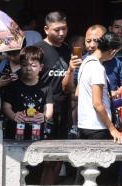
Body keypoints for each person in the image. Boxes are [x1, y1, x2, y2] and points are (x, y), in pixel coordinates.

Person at [76, 31, 122, 185]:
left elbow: (79, 93)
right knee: (101, 177)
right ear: (112, 51)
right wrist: (112, 128)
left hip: (84, 124)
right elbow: (97, 104)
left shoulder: (85, 62)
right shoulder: (97, 68)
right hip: (98, 126)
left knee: (84, 172)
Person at [36, 11, 75, 141]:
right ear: (46, 30)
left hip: (63, 108)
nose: (62, 33)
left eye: (64, 28)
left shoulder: (67, 49)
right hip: (43, 109)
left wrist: (71, 69)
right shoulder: (38, 50)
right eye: (57, 30)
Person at [0, 45, 52, 142]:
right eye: (24, 65)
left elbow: (49, 108)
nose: (28, 68)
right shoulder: (13, 86)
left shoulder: (46, 87)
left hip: (37, 134)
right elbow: (6, 106)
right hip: (15, 134)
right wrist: (13, 116)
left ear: (41, 67)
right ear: (20, 65)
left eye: (33, 65)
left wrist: (44, 116)